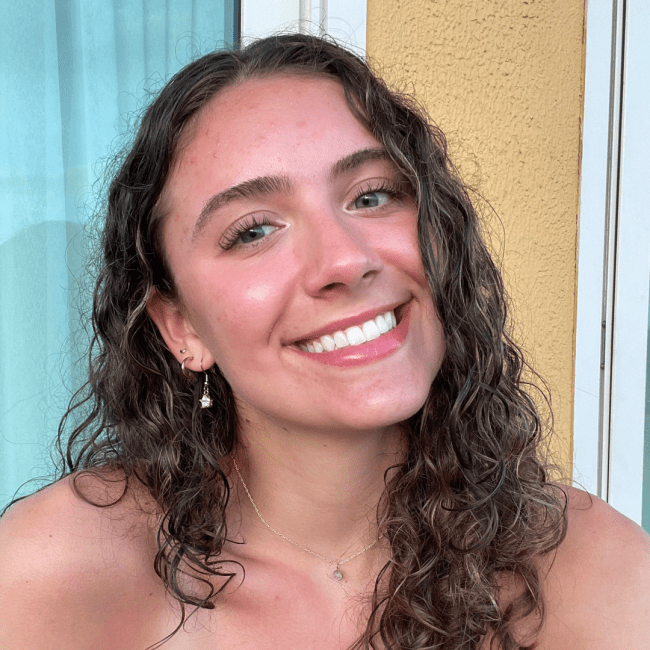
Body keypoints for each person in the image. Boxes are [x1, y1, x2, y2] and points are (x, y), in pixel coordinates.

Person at [0, 33, 648, 650]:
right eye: (253, 231)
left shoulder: (594, 573)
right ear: (183, 328)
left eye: (371, 195)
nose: (345, 259)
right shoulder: (57, 574)